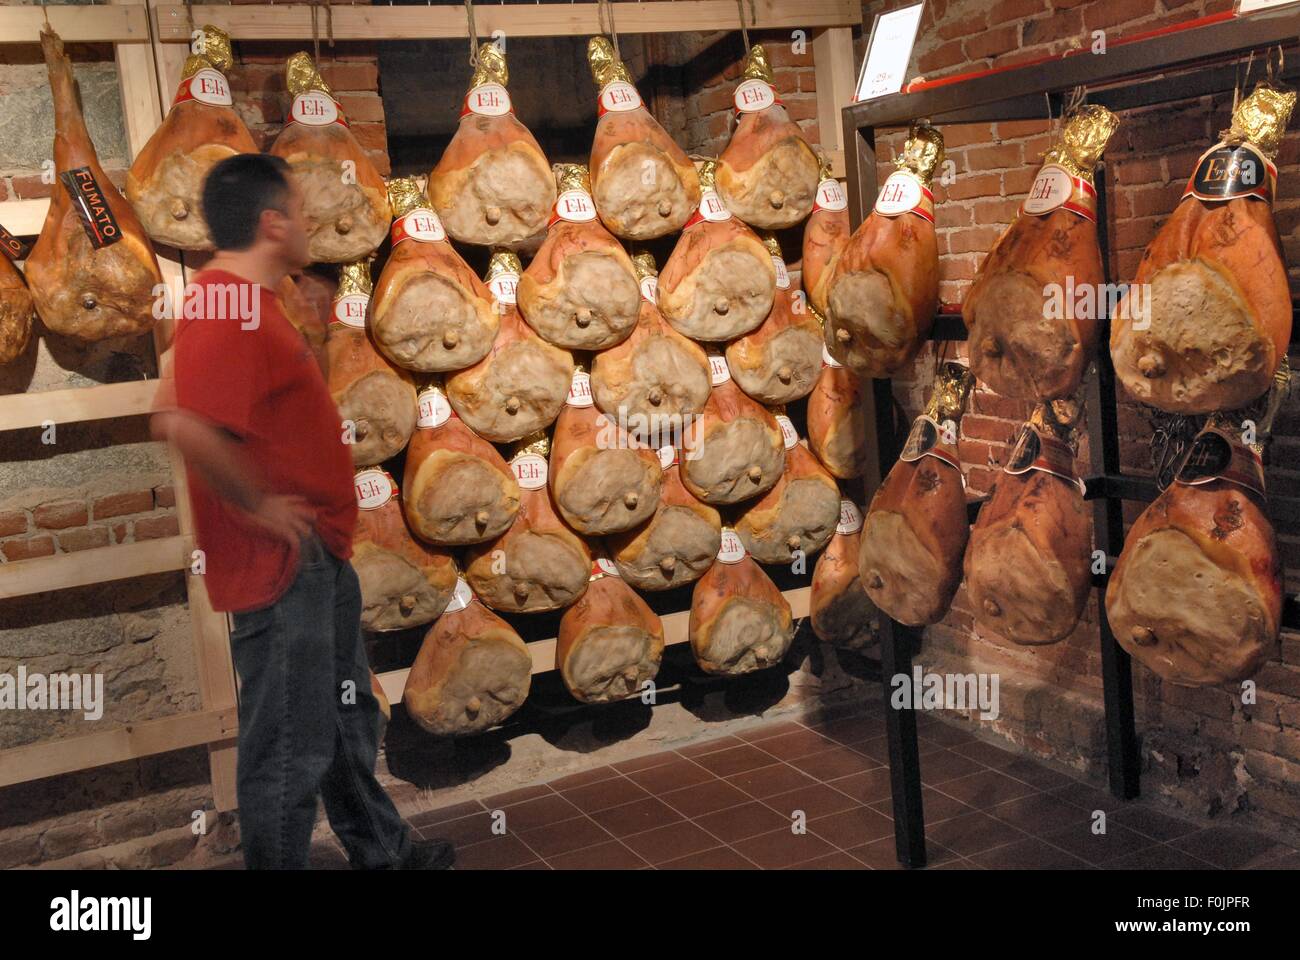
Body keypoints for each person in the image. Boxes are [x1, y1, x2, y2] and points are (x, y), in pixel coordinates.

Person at [151, 153, 452, 870]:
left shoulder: (251, 301)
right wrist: (257, 503)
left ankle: (385, 851)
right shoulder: (225, 305)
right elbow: (182, 420)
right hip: (282, 566)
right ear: (271, 222)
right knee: (289, 745)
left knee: (344, 719)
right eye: (298, 206)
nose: (310, 220)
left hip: (313, 555)